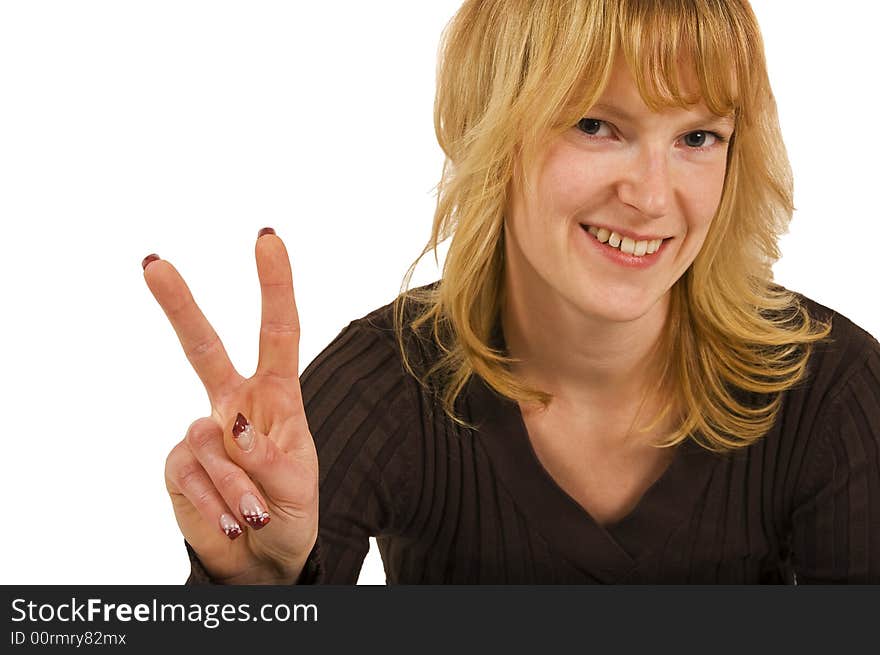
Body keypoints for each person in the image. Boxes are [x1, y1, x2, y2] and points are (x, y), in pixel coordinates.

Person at [143, 0, 880, 584]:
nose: (654, 197)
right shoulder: (383, 383)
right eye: (597, 126)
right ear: (491, 133)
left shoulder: (835, 391)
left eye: (698, 138)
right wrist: (261, 594)